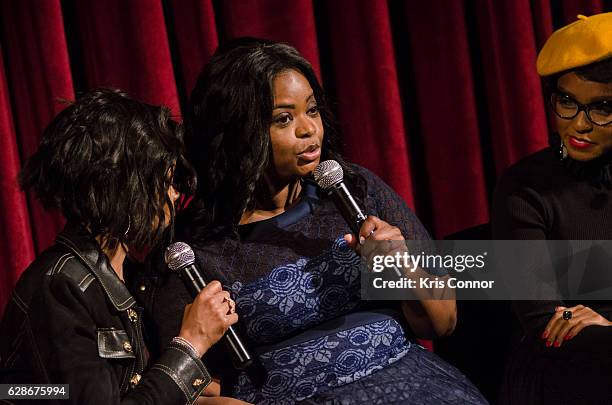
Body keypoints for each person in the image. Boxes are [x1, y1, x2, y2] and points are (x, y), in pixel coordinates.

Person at [145, 38, 488, 404]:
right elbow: (194, 390)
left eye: (312, 110)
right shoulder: (193, 249)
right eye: (284, 118)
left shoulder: (356, 190)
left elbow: (442, 322)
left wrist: (401, 264)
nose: (309, 129)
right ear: (237, 132)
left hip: (417, 388)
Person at [0, 88, 244, 404]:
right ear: (124, 188)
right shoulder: (61, 287)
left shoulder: (122, 275)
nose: (173, 195)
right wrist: (190, 346)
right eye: (166, 181)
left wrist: (186, 387)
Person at [492, 13, 612, 404]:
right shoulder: (524, 185)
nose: (580, 124)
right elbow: (542, 316)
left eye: (603, 107)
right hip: (562, 360)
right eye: (566, 102)